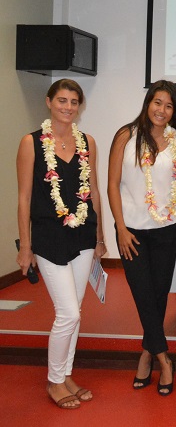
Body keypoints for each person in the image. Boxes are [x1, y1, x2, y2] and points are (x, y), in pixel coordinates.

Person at [16, 79, 106, 409]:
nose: (67, 107)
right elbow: (24, 198)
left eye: (73, 101)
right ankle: (55, 381)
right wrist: (26, 246)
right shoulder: (31, 143)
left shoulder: (88, 142)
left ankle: (66, 374)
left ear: (80, 106)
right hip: (48, 236)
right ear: (49, 102)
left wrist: (99, 237)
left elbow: (94, 191)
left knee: (76, 311)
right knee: (67, 313)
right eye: (62, 100)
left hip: (83, 234)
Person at [107, 80, 176, 397]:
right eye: (157, 102)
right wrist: (120, 228)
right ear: (148, 104)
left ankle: (146, 354)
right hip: (131, 232)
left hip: (165, 233)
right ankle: (164, 359)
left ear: (174, 110)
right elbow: (112, 184)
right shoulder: (126, 136)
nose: (162, 110)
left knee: (157, 298)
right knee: (143, 295)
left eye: (169, 105)